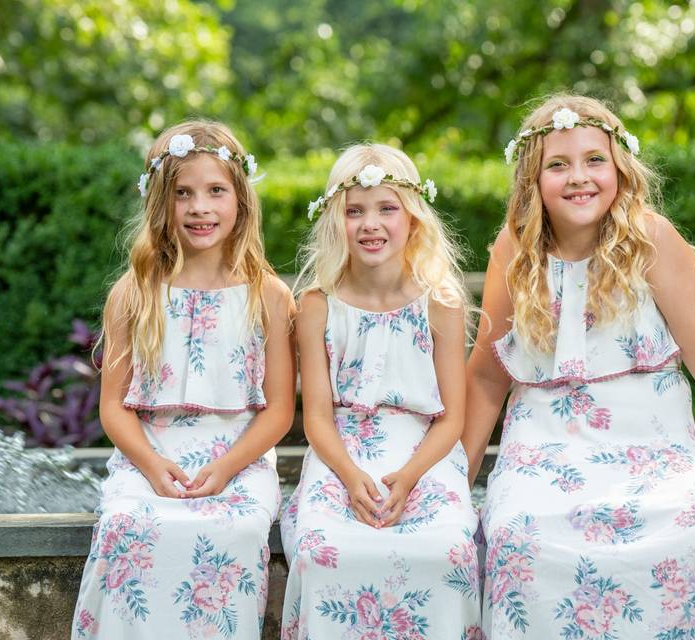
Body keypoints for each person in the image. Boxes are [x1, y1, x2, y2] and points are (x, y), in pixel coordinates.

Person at [461, 94, 695, 639]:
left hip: (650, 445)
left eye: (594, 159)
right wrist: (456, 481)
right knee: (517, 533)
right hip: (545, 446)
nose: (579, 177)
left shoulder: (651, 240)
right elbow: (486, 377)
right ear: (533, 178)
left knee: (688, 529)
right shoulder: (515, 248)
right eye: (558, 164)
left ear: (620, 167)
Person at [71, 120, 296, 639]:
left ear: (240, 198)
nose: (200, 208)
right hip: (149, 452)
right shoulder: (135, 293)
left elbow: (279, 410)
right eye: (183, 193)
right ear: (159, 201)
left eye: (216, 191)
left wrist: (225, 467)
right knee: (127, 527)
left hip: (236, 457)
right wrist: (150, 465)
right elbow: (114, 406)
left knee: (235, 529)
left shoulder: (269, 296)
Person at [280, 144, 483, 639]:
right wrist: (351, 478)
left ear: (412, 217)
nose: (371, 224)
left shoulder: (441, 302)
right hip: (341, 454)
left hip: (423, 455)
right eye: (355, 211)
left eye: (387, 208)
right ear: (336, 221)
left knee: (447, 549)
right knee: (324, 548)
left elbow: (452, 418)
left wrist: (409, 478)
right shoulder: (316, 305)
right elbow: (318, 419)